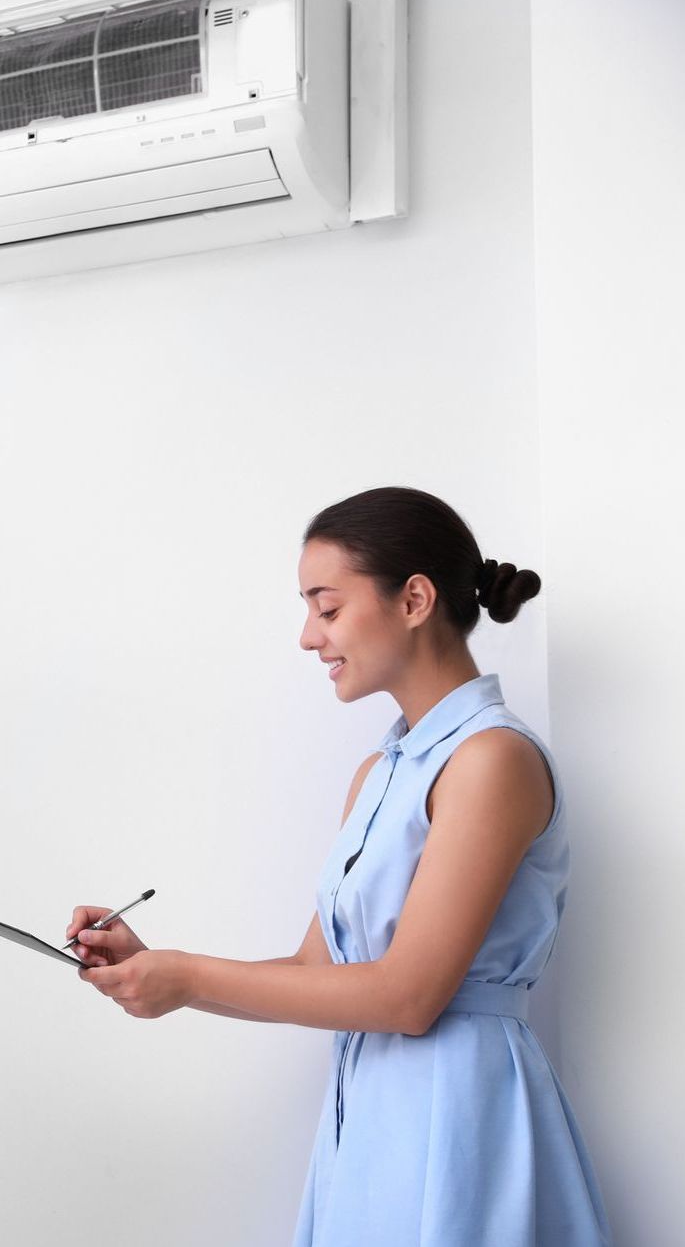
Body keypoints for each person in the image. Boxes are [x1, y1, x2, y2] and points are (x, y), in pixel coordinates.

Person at [66, 487, 611, 1246]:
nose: (306, 637)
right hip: (372, 1110)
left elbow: (407, 996)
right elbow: (313, 971)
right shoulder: (380, 772)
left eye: (326, 608)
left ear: (414, 598)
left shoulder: (491, 760)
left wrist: (187, 976)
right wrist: (157, 968)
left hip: (461, 1111)